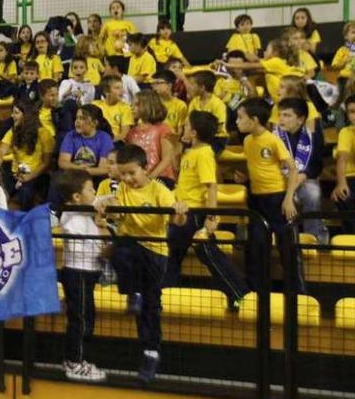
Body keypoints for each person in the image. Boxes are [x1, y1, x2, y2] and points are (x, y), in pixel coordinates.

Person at [98, 144, 188, 383]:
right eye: (124, 174)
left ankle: (151, 351)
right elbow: (112, 212)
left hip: (155, 253)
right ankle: (133, 292)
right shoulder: (122, 190)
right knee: (119, 250)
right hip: (130, 248)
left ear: (145, 169)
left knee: (151, 305)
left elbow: (177, 221)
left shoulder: (159, 191)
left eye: (132, 173)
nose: (128, 179)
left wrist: (179, 210)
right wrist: (104, 209)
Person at [167, 111, 249, 307]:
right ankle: (165, 292)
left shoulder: (204, 153)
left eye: (186, 126)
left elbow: (211, 186)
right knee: (172, 255)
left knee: (210, 255)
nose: (182, 129)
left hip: (195, 214)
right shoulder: (190, 151)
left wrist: (210, 218)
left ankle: (240, 294)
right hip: (182, 212)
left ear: (194, 132)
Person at [51, 169, 108, 382]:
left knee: (85, 318)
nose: (95, 193)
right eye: (90, 189)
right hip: (78, 273)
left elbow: (104, 199)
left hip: (89, 272)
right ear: (76, 197)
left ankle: (74, 359)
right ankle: (75, 363)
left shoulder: (86, 211)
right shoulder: (69, 215)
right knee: (82, 321)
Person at [235, 98, 298, 284]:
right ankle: (256, 290)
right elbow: (257, 166)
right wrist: (245, 178)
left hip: (276, 198)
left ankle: (296, 291)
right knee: (256, 246)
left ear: (254, 120)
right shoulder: (247, 141)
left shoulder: (273, 140)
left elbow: (293, 170)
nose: (237, 122)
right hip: (256, 199)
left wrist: (288, 199)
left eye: (240, 117)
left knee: (285, 246)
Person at [273, 98, 327, 244]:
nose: (282, 119)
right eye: (280, 115)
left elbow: (316, 165)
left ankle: (315, 239)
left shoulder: (312, 136)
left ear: (300, 119)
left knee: (312, 194)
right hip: (280, 180)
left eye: (287, 115)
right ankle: (287, 240)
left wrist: (301, 177)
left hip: (305, 179)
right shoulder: (274, 137)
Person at [0, 103, 53, 210]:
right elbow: (1, 150)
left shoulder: (44, 133)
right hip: (16, 173)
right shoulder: (13, 131)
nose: (12, 116)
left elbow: (46, 163)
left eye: (16, 113)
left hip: (36, 174)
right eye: (12, 112)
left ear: (27, 115)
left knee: (25, 192)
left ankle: (25, 218)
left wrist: (29, 177)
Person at [126, 90, 176, 188]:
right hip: (139, 178)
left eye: (136, 105)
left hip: (161, 177)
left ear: (147, 106)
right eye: (132, 104)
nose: (132, 108)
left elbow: (167, 159)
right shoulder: (132, 132)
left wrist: (150, 178)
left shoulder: (163, 129)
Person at [58, 104, 114, 178]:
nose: (77, 121)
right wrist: (78, 168)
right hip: (75, 175)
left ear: (94, 123)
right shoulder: (71, 135)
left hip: (95, 177)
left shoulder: (104, 138)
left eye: (82, 118)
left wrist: (84, 171)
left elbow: (103, 169)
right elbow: (63, 162)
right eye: (77, 118)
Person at [187, 71, 228, 155]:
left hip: (216, 138)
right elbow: (188, 121)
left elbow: (219, 127)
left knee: (203, 153)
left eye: (193, 84)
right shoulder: (194, 102)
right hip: (197, 137)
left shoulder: (218, 104)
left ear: (202, 87)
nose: (190, 87)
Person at [332, 95, 355, 232]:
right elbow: (342, 159)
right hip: (351, 177)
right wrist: (341, 183)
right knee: (343, 196)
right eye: (351, 112)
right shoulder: (345, 132)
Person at [94, 75, 133, 144]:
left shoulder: (125, 108)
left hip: (114, 142)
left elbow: (124, 134)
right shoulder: (95, 105)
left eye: (122, 87)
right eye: (117, 88)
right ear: (106, 91)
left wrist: (108, 142)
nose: (122, 91)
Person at [152, 70, 188, 136]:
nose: (154, 86)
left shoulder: (180, 105)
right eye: (153, 83)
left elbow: (180, 132)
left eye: (158, 83)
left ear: (169, 85)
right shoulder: (151, 104)